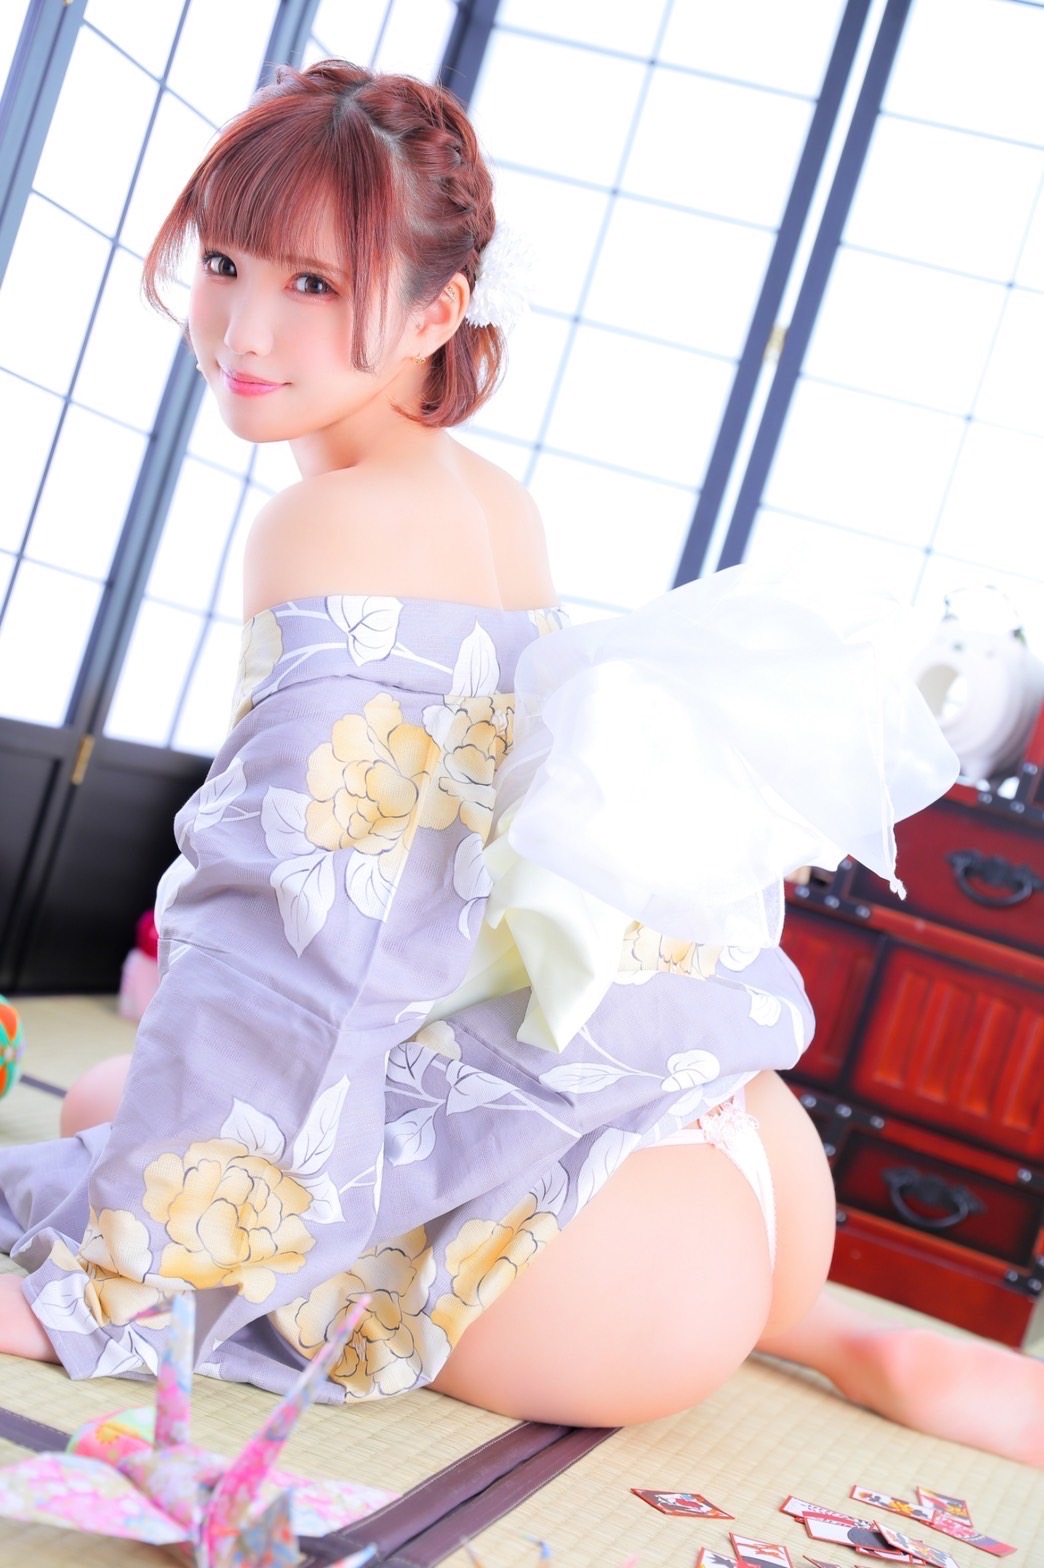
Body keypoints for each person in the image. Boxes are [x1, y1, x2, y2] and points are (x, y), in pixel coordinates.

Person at [0, 59, 1041, 1468]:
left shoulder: (329, 522)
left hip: (611, 1261)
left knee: (107, 1138)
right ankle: (840, 1335)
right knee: (104, 1102)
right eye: (226, 263)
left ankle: (757, 1327)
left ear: (439, 311)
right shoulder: (494, 500)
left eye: (315, 284)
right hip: (732, 1146)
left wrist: (102, 1289)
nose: (245, 326)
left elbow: (306, 948)